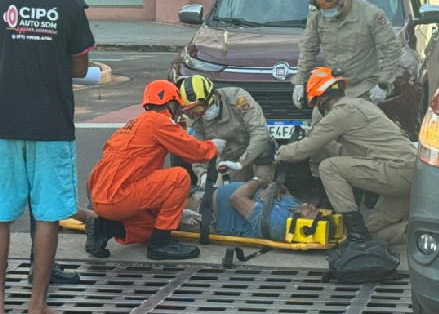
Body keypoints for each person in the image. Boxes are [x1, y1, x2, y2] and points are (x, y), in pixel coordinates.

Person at [0, 0, 95, 314]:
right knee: (46, 216)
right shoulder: (69, 7)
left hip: (4, 118)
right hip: (52, 123)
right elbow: (80, 66)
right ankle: (38, 309)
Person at [86, 80, 224, 261]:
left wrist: (178, 214)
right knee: (179, 177)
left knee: (154, 224)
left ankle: (103, 229)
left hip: (102, 197)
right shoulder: (159, 121)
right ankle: (161, 244)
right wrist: (213, 147)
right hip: (118, 196)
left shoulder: (134, 123)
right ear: (171, 103)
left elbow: (142, 179)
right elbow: (193, 152)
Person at [277, 67, 416, 246]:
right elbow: (351, 155)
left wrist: (279, 153)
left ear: (323, 98)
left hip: (396, 171)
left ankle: (356, 235)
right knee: (373, 231)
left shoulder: (340, 113)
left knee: (328, 167)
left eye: (317, 102)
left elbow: (304, 149)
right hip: (413, 174)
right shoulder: (362, 104)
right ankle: (423, 234)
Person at [292, 0, 402, 109]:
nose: (327, 12)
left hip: (362, 87)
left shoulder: (370, 15)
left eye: (330, 8)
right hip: (332, 88)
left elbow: (391, 49)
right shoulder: (317, 15)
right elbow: (308, 49)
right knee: (320, 125)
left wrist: (383, 83)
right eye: (324, 9)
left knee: (356, 125)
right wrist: (300, 82)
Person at [178, 75, 276, 184]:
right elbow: (196, 149)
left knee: (262, 183)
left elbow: (260, 132)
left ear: (214, 95)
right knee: (220, 194)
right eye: (194, 109)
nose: (200, 112)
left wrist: (242, 162)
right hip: (230, 161)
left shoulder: (238, 98)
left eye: (200, 107)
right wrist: (203, 174)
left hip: (256, 154)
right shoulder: (195, 118)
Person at [185, 179, 320, 241]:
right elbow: (282, 189)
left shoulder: (279, 224)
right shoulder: (295, 208)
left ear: (305, 227)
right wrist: (275, 186)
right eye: (315, 209)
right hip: (204, 195)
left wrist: (257, 181)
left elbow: (236, 198)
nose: (312, 207)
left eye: (311, 212)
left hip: (200, 210)